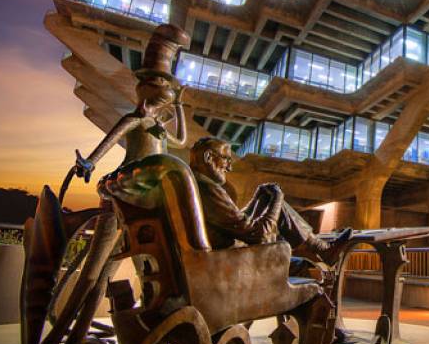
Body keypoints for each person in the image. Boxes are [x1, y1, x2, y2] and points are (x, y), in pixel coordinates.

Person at [72, 24, 191, 203]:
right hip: (131, 179)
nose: (166, 90)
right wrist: (91, 162)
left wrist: (179, 105)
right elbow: (112, 138)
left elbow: (181, 142)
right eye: (159, 82)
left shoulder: (156, 125)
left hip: (154, 179)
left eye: (167, 85)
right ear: (142, 87)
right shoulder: (136, 119)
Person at [189, 137, 351, 265]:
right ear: (209, 157)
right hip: (229, 256)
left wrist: (258, 199)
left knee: (266, 196)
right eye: (226, 159)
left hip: (220, 249)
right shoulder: (208, 188)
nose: (229, 168)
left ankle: (321, 248)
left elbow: (237, 224)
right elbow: (258, 235)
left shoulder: (195, 183)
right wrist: (278, 199)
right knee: (300, 264)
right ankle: (321, 249)